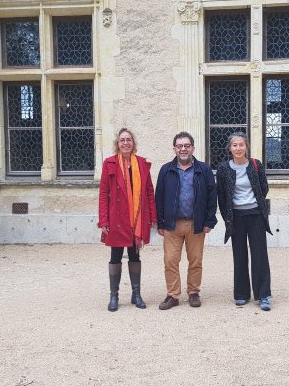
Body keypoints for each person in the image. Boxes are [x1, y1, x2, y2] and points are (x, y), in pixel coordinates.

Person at [154, 132, 217, 310]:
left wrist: (209, 221)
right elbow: (159, 197)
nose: (183, 149)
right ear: (174, 149)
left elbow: (212, 196)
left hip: (196, 223)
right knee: (170, 261)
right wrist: (160, 223)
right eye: (180, 146)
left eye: (187, 146)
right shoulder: (166, 170)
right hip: (172, 224)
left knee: (195, 261)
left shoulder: (203, 170)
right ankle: (173, 295)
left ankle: (193, 292)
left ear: (193, 148)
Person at [98, 128, 157, 312]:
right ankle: (114, 296)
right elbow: (103, 194)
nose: (125, 143)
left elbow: (149, 192)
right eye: (122, 140)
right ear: (118, 143)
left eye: (129, 140)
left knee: (135, 255)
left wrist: (153, 216)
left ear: (133, 143)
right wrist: (103, 220)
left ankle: (136, 294)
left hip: (136, 219)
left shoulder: (141, 164)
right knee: (115, 256)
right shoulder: (109, 163)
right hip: (116, 218)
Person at [216, 132, 273, 311]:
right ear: (230, 148)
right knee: (239, 255)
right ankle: (241, 294)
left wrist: (253, 202)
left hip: (256, 215)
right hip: (236, 217)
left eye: (241, 144)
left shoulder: (256, 164)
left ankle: (263, 295)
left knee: (260, 255)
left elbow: (264, 188)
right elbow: (222, 195)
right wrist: (227, 217)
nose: (238, 148)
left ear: (246, 146)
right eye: (235, 145)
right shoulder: (224, 168)